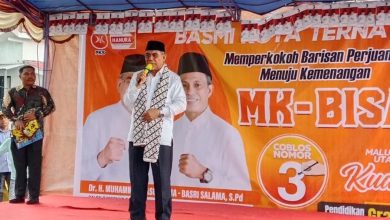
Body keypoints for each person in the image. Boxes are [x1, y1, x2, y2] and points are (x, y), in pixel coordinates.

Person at [123, 40, 186, 220]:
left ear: (164, 57)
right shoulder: (138, 76)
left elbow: (181, 104)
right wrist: (138, 85)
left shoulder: (173, 78)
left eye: (155, 55)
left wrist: (160, 112)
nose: (151, 58)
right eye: (147, 55)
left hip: (161, 139)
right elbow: (128, 102)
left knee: (162, 185)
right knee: (137, 185)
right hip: (137, 137)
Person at [172, 52, 251, 190]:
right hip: (170, 210)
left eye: (197, 85)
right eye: (184, 85)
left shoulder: (227, 133)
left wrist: (203, 173)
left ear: (209, 90)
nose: (190, 92)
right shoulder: (169, 131)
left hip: (209, 211)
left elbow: (242, 189)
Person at [81, 54, 145, 182]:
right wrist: (103, 157)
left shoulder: (159, 121)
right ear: (119, 84)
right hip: (108, 199)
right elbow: (80, 176)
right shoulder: (96, 120)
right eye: (130, 81)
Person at [2, 65, 55, 205]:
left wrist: (37, 114)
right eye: (26, 74)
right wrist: (15, 119)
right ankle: (19, 195)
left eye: (32, 74)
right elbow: (4, 107)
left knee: (34, 166)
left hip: (35, 135)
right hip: (18, 135)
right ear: (20, 76)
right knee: (19, 166)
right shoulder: (13, 92)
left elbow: (51, 106)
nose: (30, 76)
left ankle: (33, 196)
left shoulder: (42, 92)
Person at [0, 112, 11, 201]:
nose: (3, 120)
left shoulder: (14, 133)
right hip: (0, 169)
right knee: (0, 193)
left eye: (5, 117)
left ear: (9, 119)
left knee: (15, 193)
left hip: (12, 169)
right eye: (0, 118)